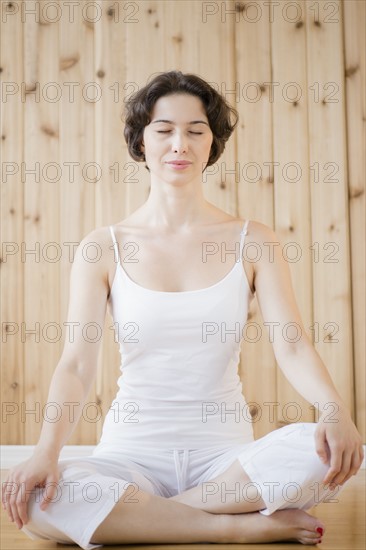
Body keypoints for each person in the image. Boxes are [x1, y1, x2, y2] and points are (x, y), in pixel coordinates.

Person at [2, 70, 363, 549]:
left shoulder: (252, 240)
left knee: (319, 451)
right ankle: (230, 525)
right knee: (33, 500)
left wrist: (335, 410)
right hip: (131, 455)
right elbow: (76, 363)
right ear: (140, 142)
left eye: (196, 131)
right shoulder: (103, 248)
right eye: (164, 130)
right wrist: (46, 452)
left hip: (225, 461)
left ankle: (144, 518)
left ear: (211, 145)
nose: (180, 144)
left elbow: (291, 343)